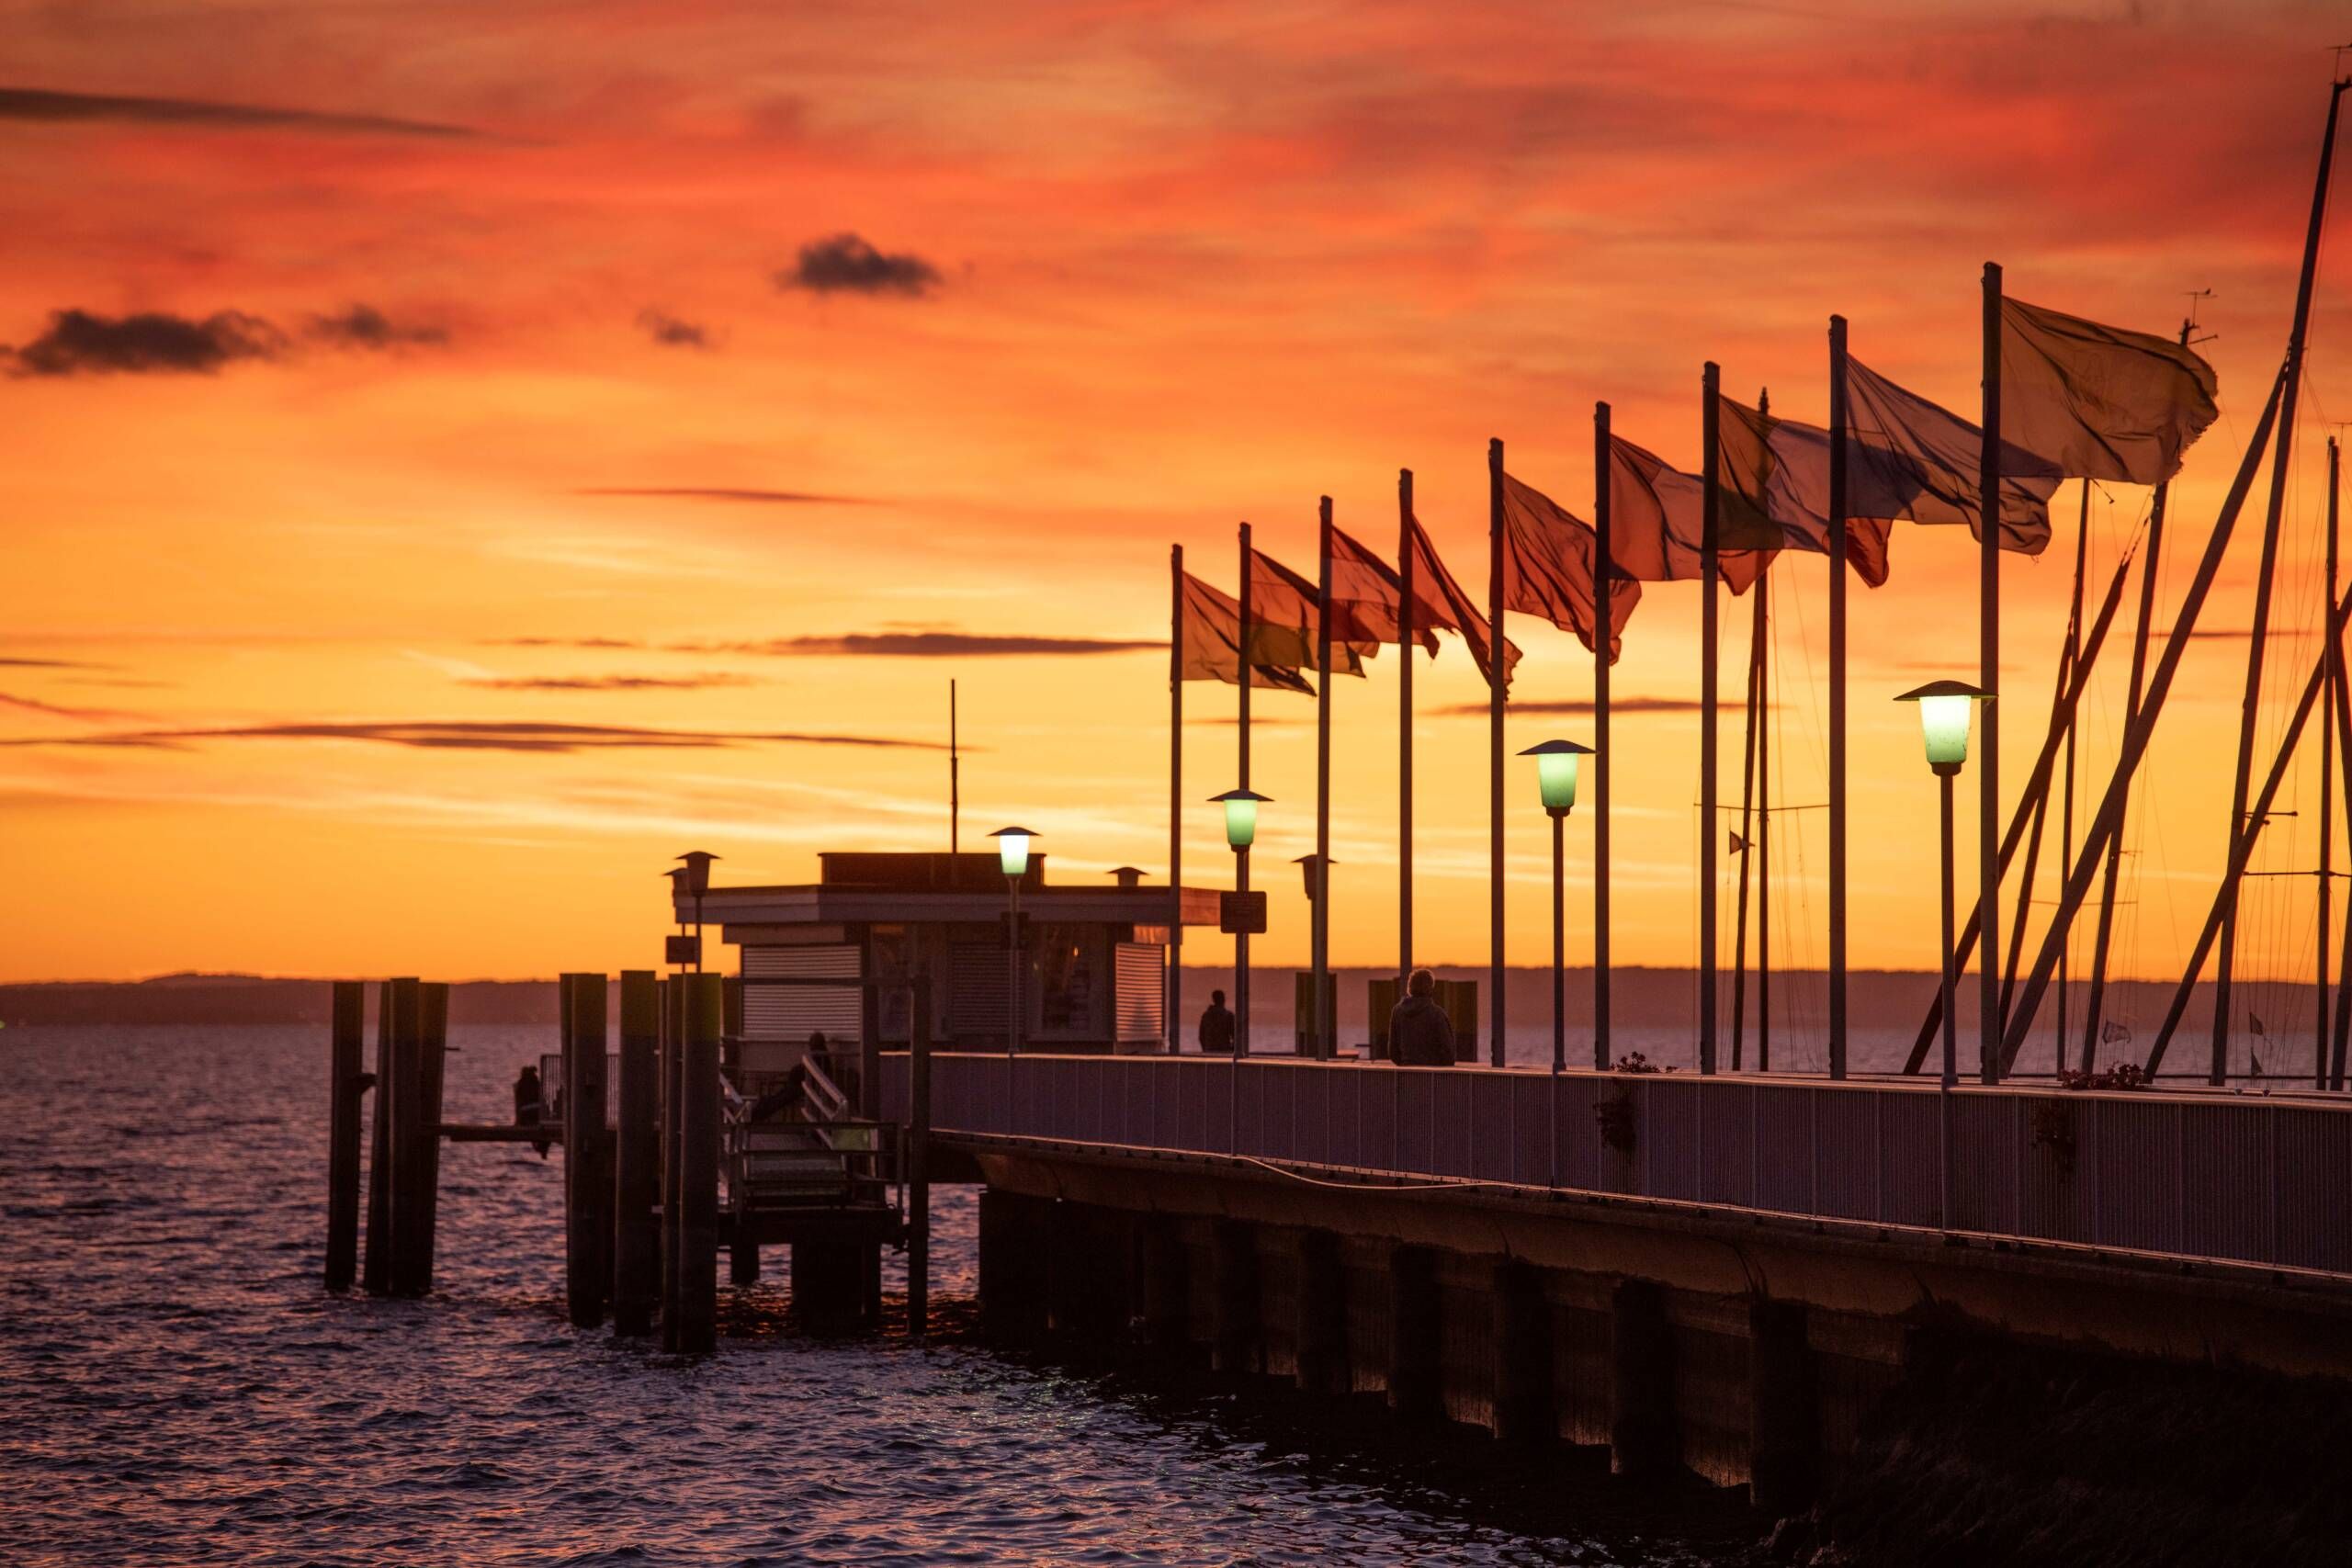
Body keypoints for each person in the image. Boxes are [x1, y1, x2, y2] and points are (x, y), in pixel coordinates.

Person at [1387, 969, 1456, 1066]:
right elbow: (1448, 1052)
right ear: (1430, 988)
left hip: (1406, 1073)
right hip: (1432, 1076)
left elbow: (1393, 1051)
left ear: (1409, 987)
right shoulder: (1437, 1014)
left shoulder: (1397, 1012)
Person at [513, 1065, 550, 1159]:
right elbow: (544, 1100)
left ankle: (540, 1149)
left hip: (527, 1115)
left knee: (531, 1130)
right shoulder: (538, 1083)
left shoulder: (519, 1085)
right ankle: (543, 1150)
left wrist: (517, 1122)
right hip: (540, 1113)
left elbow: (518, 1104)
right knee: (545, 1130)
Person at [1197, 989, 1236, 1055]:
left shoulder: (1206, 1016)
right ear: (1223, 1000)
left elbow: (1201, 1036)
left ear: (1213, 1000)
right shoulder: (1228, 1016)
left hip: (1209, 1050)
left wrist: (1205, 1049)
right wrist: (1232, 1049)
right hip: (1224, 1051)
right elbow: (1235, 1035)